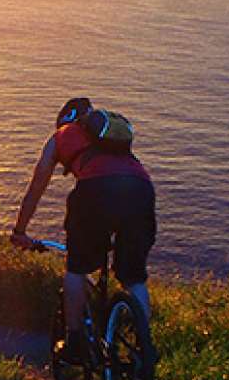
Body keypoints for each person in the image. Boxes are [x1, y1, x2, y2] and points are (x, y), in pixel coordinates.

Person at [10, 97, 156, 360]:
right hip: (141, 189)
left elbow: (36, 188)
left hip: (95, 191)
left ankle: (75, 342)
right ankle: (144, 347)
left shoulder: (61, 137)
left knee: (77, 268)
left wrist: (20, 231)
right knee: (134, 277)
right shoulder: (112, 139)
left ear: (63, 121)